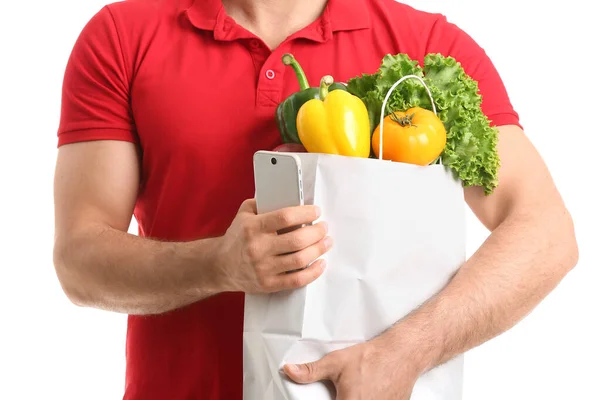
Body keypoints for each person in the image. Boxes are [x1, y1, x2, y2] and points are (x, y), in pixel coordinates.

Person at [52, 0, 578, 398]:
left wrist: (407, 352)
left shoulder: (425, 47)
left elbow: (544, 231)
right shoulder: (122, 35)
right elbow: (80, 260)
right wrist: (218, 264)